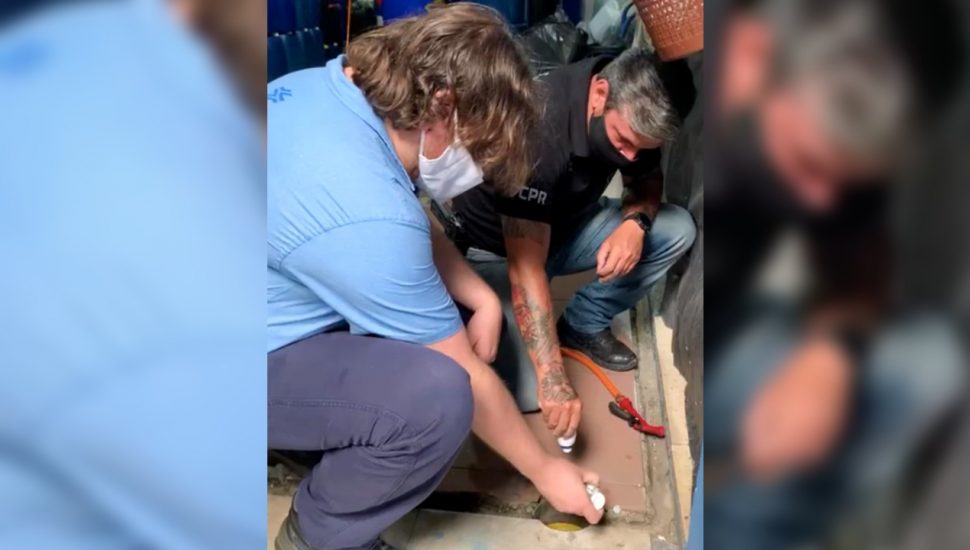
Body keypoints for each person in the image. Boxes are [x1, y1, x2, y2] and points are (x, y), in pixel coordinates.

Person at [266, 6, 603, 550]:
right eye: (481, 148)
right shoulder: (372, 218)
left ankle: (315, 439)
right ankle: (320, 533)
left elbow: (396, 210)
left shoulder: (324, 89)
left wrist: (482, 299)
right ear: (443, 106)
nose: (479, 169)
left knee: (430, 322)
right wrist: (546, 470)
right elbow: (461, 367)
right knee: (437, 399)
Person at [705, 1, 965, 548]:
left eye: (841, 180)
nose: (819, 202)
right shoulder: (701, 66)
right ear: (752, 56)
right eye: (807, 163)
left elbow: (857, 261)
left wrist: (831, 356)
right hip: (697, 339)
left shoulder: (846, 110)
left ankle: (754, 528)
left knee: (930, 361)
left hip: (736, 333)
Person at [446, 49, 697, 438]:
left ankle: (581, 324)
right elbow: (526, 269)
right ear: (600, 94)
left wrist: (636, 224)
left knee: (676, 228)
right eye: (622, 140)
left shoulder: (634, 104)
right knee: (527, 395)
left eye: (642, 148)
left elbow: (646, 178)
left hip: (566, 228)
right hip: (498, 249)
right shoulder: (537, 127)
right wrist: (554, 379)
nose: (630, 156)